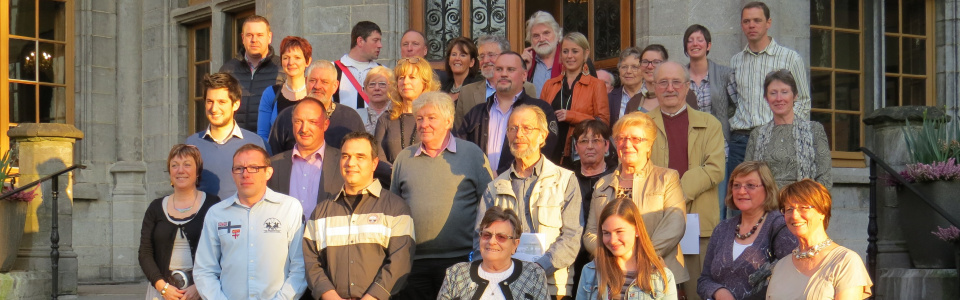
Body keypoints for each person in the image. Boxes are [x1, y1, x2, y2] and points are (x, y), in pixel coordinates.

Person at [391, 92, 495, 300]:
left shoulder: (472, 154)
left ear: (448, 121)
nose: (423, 124)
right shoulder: (404, 157)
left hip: (461, 260)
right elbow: (394, 209)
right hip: (413, 263)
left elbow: (490, 206)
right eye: (419, 118)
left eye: (431, 118)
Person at [477, 105, 582, 298]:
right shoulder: (494, 187)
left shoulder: (565, 180)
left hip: (552, 287)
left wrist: (537, 269)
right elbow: (480, 240)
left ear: (542, 136)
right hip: (503, 288)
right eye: (513, 128)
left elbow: (571, 237)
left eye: (527, 128)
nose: (519, 134)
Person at [302, 132, 414, 300]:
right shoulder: (320, 213)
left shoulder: (396, 209)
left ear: (374, 163)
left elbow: (400, 262)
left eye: (360, 157)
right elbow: (311, 263)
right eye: (345, 156)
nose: (351, 163)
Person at [646, 61, 725, 299]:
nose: (670, 88)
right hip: (653, 222)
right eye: (663, 82)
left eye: (676, 82)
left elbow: (715, 169)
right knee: (656, 290)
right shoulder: (642, 125)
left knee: (696, 291)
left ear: (688, 86)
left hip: (697, 223)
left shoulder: (710, 124)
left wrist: (675, 192)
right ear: (653, 87)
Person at [584, 112, 689, 286]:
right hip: (611, 276)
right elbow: (591, 233)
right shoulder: (603, 183)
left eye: (636, 139)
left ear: (649, 145)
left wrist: (639, 259)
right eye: (621, 138)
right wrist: (612, 258)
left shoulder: (667, 178)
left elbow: (675, 226)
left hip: (657, 273)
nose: (627, 145)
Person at [193, 144, 307, 299]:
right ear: (232, 174)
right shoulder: (217, 214)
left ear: (268, 172)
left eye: (253, 167)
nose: (245, 174)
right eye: (239, 168)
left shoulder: (289, 208)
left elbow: (300, 267)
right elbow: (204, 270)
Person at [729, 1, 811, 196]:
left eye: (757, 20)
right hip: (741, 141)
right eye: (746, 21)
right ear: (741, 25)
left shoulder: (790, 58)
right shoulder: (736, 61)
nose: (751, 25)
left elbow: (804, 101)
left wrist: (786, 131)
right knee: (740, 201)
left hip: (776, 136)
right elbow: (733, 102)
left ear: (768, 23)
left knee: (777, 198)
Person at [697, 161, 797, 300]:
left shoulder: (781, 227)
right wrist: (719, 292)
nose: (741, 191)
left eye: (750, 185)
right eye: (736, 185)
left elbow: (792, 279)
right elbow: (704, 280)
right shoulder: (722, 229)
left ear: (767, 189)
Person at [139, 144, 221, 300]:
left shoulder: (213, 205)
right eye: (174, 165)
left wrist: (199, 287)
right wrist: (162, 286)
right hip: (162, 292)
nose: (180, 170)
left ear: (198, 171)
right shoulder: (155, 207)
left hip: (202, 292)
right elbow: (145, 252)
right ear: (169, 172)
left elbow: (222, 251)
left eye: (187, 165)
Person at [767, 179, 872, 299]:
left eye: (803, 207)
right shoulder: (780, 266)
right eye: (789, 209)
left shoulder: (845, 261)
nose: (795, 216)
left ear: (822, 211)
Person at [457, 51, 560, 174]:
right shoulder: (476, 113)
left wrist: (502, 174)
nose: (504, 74)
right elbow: (460, 151)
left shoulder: (541, 110)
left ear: (524, 75)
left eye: (510, 70)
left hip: (526, 188)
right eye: (499, 69)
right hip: (481, 189)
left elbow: (545, 151)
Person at [683, 24, 738, 220]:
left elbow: (736, 105)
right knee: (687, 202)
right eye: (690, 40)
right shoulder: (680, 76)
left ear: (708, 45)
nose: (695, 43)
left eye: (699, 39)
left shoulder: (724, 74)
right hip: (686, 147)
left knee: (717, 205)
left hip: (718, 147)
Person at [438, 207, 549, 299]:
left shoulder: (533, 274)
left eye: (501, 237)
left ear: (515, 244)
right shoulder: (456, 274)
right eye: (487, 235)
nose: (491, 242)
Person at [186, 72, 266, 200]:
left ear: (236, 104)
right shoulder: (192, 144)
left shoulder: (255, 143)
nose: (214, 108)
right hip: (204, 218)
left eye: (221, 102)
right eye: (210, 101)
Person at [745, 69, 831, 189]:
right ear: (766, 98)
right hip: (767, 204)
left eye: (784, 92)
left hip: (803, 203)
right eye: (773, 93)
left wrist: (807, 203)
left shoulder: (814, 130)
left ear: (795, 96)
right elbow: (748, 177)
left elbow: (824, 178)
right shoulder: (757, 134)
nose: (779, 98)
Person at [576, 199, 677, 300]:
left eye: (619, 231)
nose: (612, 240)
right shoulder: (590, 272)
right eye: (606, 233)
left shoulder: (661, 277)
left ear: (637, 230)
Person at [540, 32, 611, 167]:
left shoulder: (596, 85)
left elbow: (603, 124)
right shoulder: (549, 85)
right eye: (565, 51)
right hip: (548, 153)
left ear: (586, 53)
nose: (570, 56)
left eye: (575, 51)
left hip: (580, 157)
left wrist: (572, 116)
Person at [266, 98, 343, 221]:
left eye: (312, 122)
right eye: (298, 121)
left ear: (325, 125)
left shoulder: (343, 162)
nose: (304, 129)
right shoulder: (274, 165)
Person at [268, 60, 365, 154]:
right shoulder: (286, 117)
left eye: (324, 82)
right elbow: (274, 157)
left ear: (335, 86)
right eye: (313, 80)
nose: (317, 86)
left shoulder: (351, 119)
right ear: (306, 81)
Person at [569, 120, 616, 294]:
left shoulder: (617, 176)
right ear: (576, 147)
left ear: (606, 146)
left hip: (608, 254)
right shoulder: (565, 177)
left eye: (596, 141)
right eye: (583, 141)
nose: (589, 146)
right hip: (572, 257)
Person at [455, 35, 536, 128]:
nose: (485, 60)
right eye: (481, 56)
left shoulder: (527, 88)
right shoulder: (467, 92)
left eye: (491, 55)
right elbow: (458, 132)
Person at [218, 15, 282, 132]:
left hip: (270, 144)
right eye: (249, 35)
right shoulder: (227, 70)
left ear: (269, 37)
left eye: (259, 35)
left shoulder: (282, 69)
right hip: (235, 142)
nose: (254, 40)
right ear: (242, 38)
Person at [373, 57, 441, 165]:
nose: (405, 82)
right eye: (401, 78)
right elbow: (377, 158)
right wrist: (396, 175)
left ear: (425, 83)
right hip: (391, 179)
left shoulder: (437, 118)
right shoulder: (386, 118)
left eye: (412, 77)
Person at [256, 36, 313, 142]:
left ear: (307, 61)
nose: (291, 62)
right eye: (286, 57)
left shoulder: (315, 92)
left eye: (297, 57)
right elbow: (263, 135)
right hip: (277, 156)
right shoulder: (270, 94)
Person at [333, 21, 383, 116]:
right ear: (360, 41)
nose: (380, 45)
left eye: (380, 41)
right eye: (375, 40)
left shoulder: (383, 72)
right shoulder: (332, 70)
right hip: (343, 129)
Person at [522, 11, 563, 96]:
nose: (541, 39)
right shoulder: (527, 60)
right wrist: (522, 68)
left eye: (546, 33)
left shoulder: (569, 59)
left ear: (557, 35)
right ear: (530, 40)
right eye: (536, 36)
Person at [624, 45, 669, 113]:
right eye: (645, 62)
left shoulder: (680, 94)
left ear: (665, 64)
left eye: (656, 62)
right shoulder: (633, 102)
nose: (650, 66)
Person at [439, 37, 484, 103]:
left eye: (463, 55)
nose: (457, 58)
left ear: (472, 62)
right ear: (449, 60)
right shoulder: (442, 87)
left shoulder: (478, 87)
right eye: (454, 54)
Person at [608, 47, 644, 126]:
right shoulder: (610, 98)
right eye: (624, 67)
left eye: (634, 67)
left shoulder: (652, 96)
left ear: (643, 70)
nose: (628, 71)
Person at [361, 66, 394, 134]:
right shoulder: (357, 116)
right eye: (372, 84)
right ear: (365, 90)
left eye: (382, 84)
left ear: (392, 89)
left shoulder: (398, 115)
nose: (376, 88)